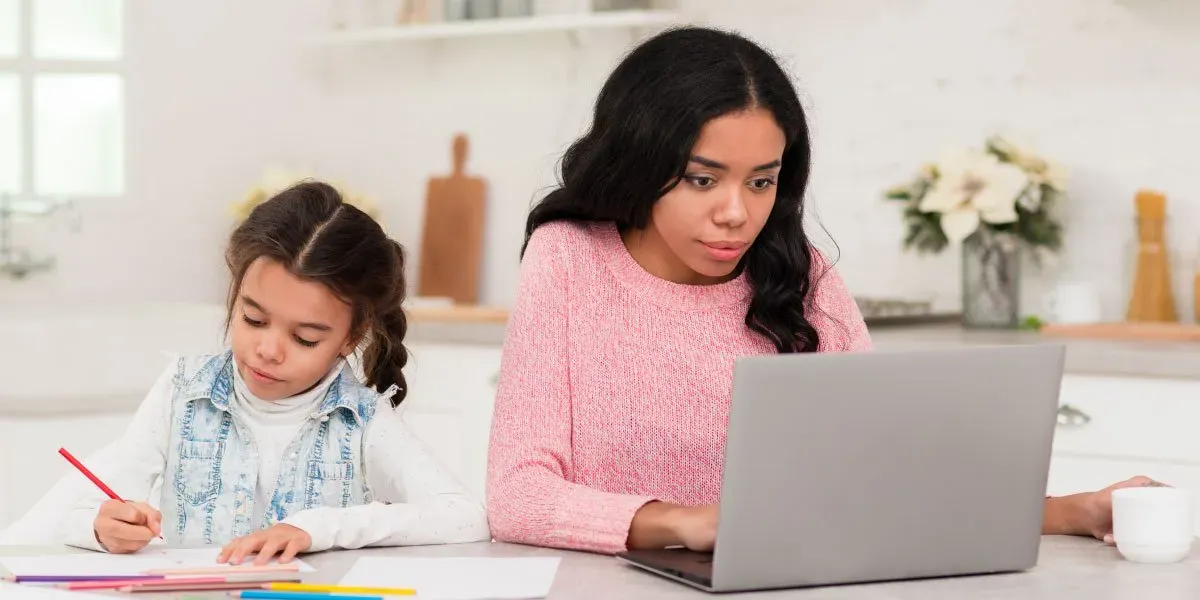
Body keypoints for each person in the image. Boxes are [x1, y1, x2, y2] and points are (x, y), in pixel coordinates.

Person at [484, 25, 1158, 555]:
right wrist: (681, 524)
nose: (737, 213)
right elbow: (517, 495)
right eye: (701, 179)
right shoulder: (570, 258)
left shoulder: (797, 272)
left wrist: (1075, 510)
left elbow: (883, 478)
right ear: (640, 161)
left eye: (761, 180)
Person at [62, 181, 489, 563]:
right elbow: (82, 510)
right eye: (253, 319)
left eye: (304, 338)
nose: (267, 351)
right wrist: (103, 528)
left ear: (350, 337)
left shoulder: (362, 419)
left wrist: (317, 528)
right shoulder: (181, 391)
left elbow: (464, 517)